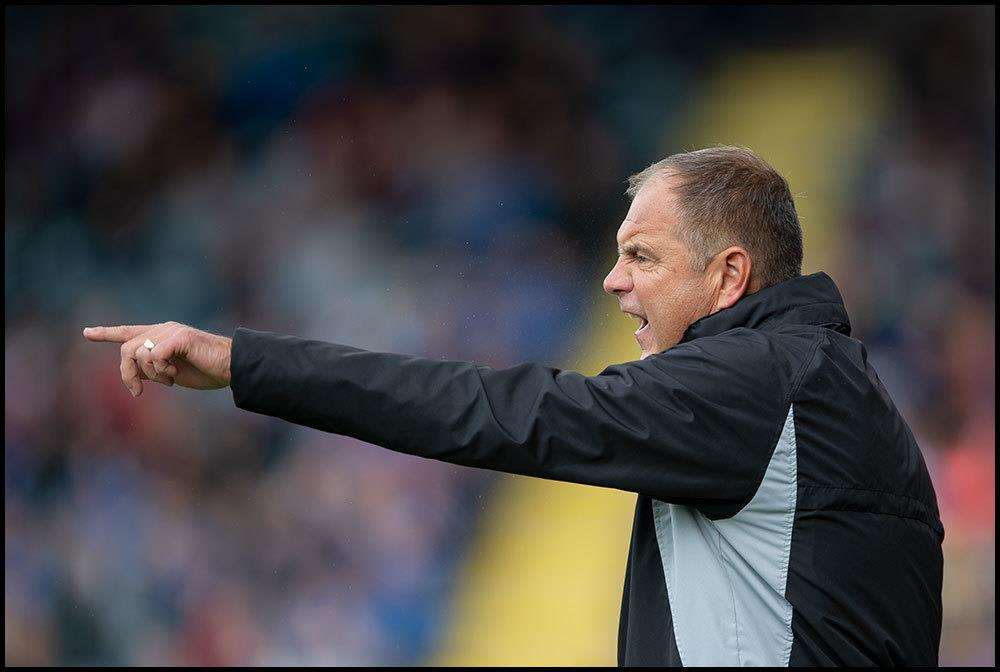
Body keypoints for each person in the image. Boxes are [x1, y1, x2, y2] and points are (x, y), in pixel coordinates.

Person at [83, 146, 943, 667]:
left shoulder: (755, 383)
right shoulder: (832, 390)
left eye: (642, 256)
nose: (613, 281)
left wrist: (242, 363)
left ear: (727, 275)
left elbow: (496, 410)